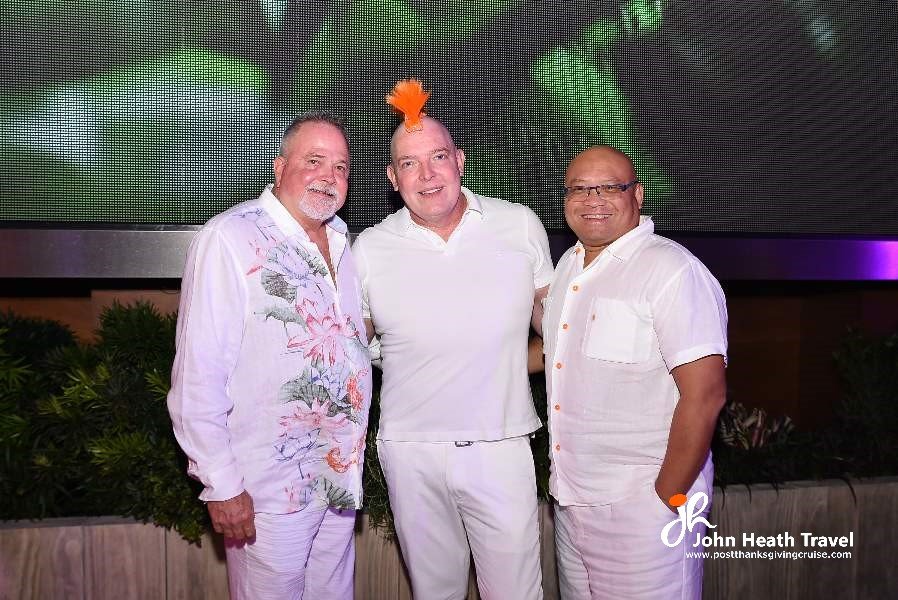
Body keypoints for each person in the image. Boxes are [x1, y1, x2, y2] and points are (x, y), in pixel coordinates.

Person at [167, 111, 372, 600]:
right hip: (267, 491)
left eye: (341, 167)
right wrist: (221, 484)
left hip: (337, 479)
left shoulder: (343, 245)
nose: (328, 176)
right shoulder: (230, 239)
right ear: (279, 168)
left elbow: (346, 341)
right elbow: (198, 374)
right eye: (314, 161)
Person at [352, 102, 552, 599]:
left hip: (501, 443)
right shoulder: (370, 248)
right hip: (409, 451)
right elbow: (349, 347)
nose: (427, 174)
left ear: (460, 160)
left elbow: (559, 331)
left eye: (438, 156)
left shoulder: (518, 225)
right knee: (434, 592)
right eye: (409, 163)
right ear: (393, 178)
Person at [540, 145, 728, 599]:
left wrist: (665, 500)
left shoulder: (671, 270)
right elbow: (559, 354)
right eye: (579, 189)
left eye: (610, 187)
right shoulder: (568, 266)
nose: (593, 199)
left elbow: (706, 395)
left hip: (643, 512)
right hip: (571, 503)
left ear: (637, 194)